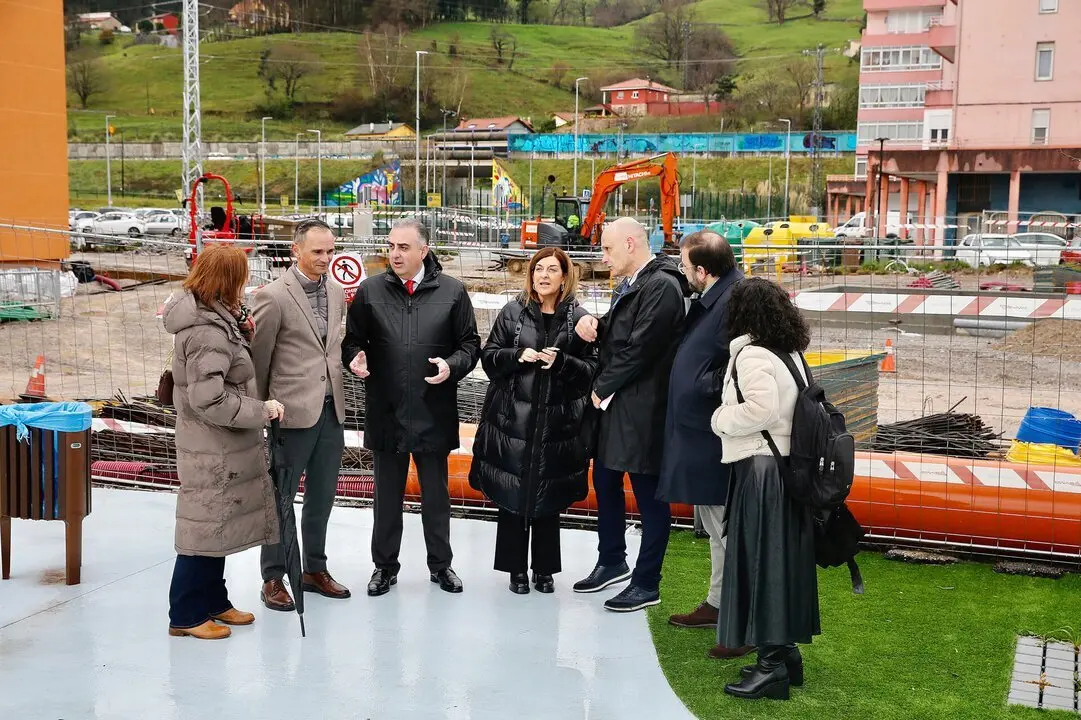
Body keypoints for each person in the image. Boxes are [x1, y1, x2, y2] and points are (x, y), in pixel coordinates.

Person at [342, 219, 480, 596]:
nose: (395, 253)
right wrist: (354, 358)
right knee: (386, 495)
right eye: (391, 246)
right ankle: (384, 567)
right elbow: (351, 341)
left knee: (436, 494)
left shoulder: (452, 292)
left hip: (432, 410)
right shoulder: (370, 291)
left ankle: (441, 566)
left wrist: (452, 366)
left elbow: (470, 345)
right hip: (386, 410)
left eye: (404, 247)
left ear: (424, 250)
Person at [162, 244, 284, 640]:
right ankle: (185, 614)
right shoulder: (206, 333)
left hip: (220, 445)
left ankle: (214, 601)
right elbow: (208, 398)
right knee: (202, 528)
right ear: (229, 280)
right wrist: (260, 411)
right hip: (211, 447)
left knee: (217, 525)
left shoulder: (218, 319)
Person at [711, 277, 821, 701]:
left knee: (759, 563)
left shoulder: (752, 354)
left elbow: (761, 410)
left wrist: (719, 419)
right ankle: (784, 653)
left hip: (761, 470)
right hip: (787, 470)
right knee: (779, 563)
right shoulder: (789, 352)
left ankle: (771, 665)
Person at [573, 216, 688, 612]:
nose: (602, 257)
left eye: (606, 249)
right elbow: (624, 332)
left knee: (648, 495)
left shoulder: (662, 286)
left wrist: (599, 390)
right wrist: (594, 323)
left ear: (629, 244)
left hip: (643, 409)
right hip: (621, 405)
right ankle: (612, 560)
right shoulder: (638, 283)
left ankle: (646, 581)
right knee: (605, 479)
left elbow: (641, 348)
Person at [468, 247, 598, 595]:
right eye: (538, 269)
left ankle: (544, 570)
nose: (543, 275)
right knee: (513, 494)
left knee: (547, 497)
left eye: (551, 270)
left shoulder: (580, 320)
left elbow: (591, 372)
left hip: (556, 424)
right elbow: (490, 358)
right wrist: (517, 355)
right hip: (514, 420)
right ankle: (515, 570)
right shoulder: (513, 313)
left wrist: (562, 363)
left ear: (564, 276)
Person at [657, 231, 754, 660]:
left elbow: (747, 365)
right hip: (701, 430)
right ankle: (718, 604)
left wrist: (699, 386)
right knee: (716, 528)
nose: (682, 273)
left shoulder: (735, 300)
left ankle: (745, 621)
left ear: (703, 270)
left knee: (728, 530)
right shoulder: (720, 295)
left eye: (684, 266)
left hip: (714, 433)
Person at [250, 218, 351, 611]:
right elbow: (260, 361)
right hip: (288, 416)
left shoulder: (338, 293)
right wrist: (261, 412)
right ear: (296, 251)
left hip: (331, 410)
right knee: (279, 499)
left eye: (331, 251)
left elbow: (329, 349)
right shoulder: (273, 297)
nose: (326, 258)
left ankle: (313, 569)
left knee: (322, 496)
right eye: (318, 252)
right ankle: (273, 577)